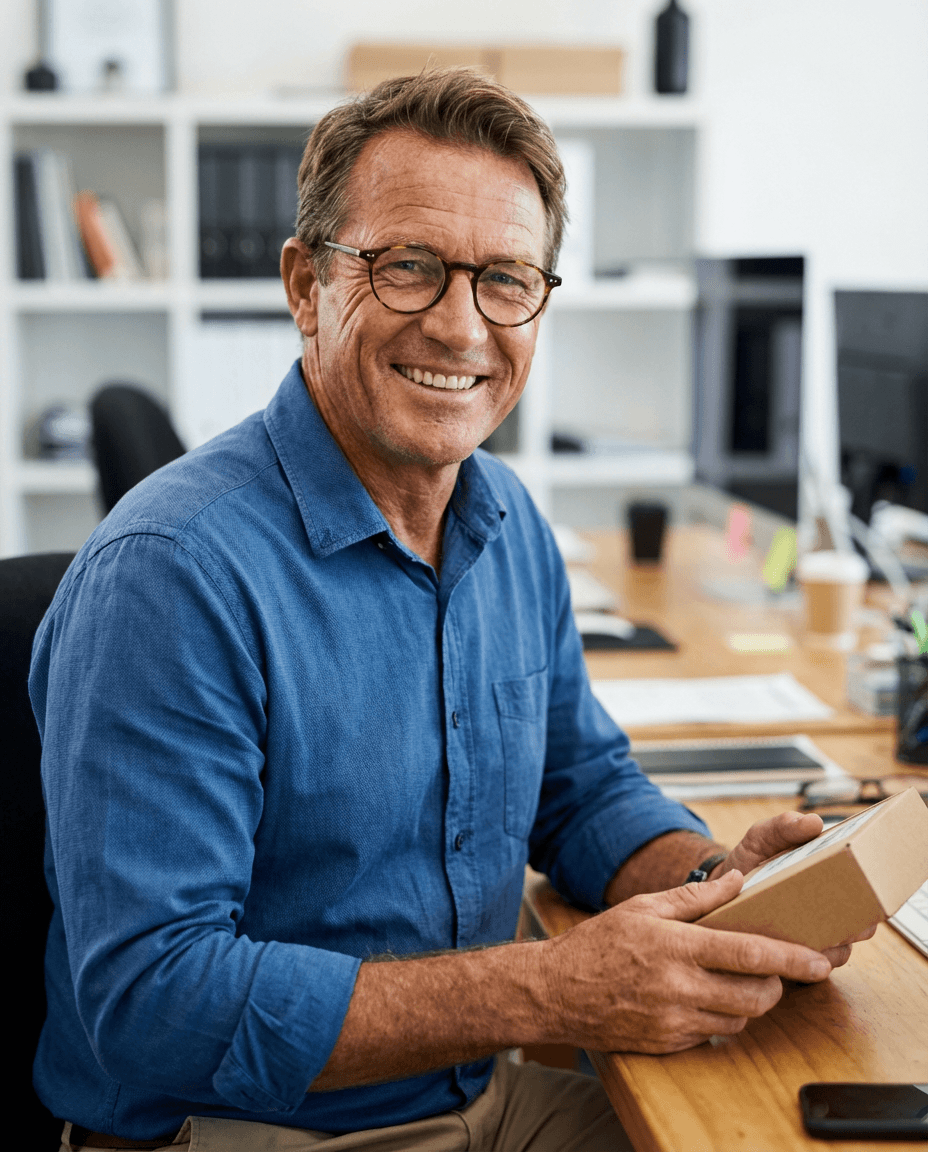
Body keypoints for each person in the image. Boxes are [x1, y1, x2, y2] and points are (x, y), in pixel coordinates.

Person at [32, 69, 872, 1152]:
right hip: (248, 1132)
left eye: (506, 279)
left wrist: (717, 884)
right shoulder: (170, 575)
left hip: (476, 1101)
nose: (461, 327)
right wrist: (550, 991)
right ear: (305, 285)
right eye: (410, 268)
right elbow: (156, 1002)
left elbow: (580, 790)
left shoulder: (506, 521)